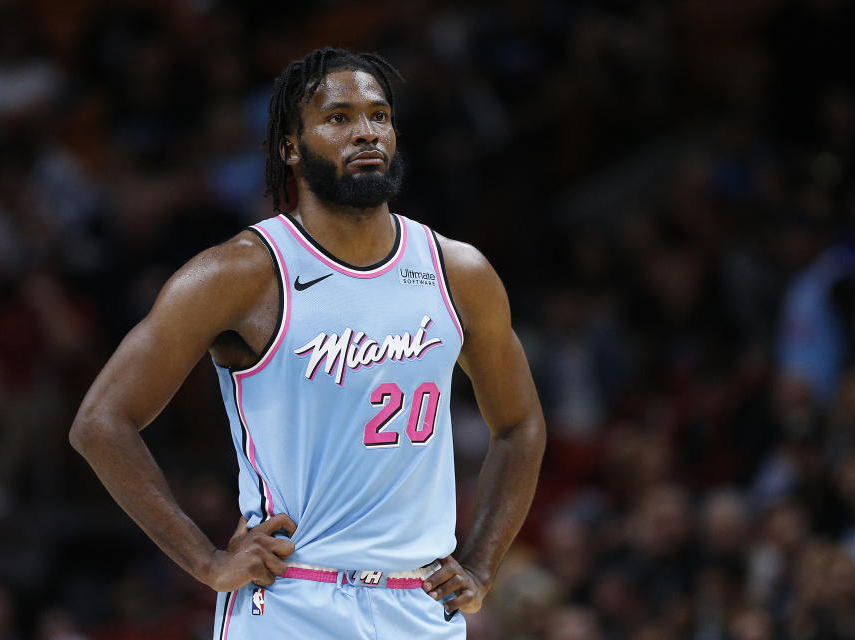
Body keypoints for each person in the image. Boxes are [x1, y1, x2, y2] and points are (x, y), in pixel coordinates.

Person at [69, 47, 546, 639]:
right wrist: (205, 560)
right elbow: (100, 422)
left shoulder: (459, 272)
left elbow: (520, 422)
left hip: (418, 605)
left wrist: (481, 563)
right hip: (294, 600)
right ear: (290, 147)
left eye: (378, 115)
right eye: (338, 118)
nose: (366, 132)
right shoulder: (239, 273)